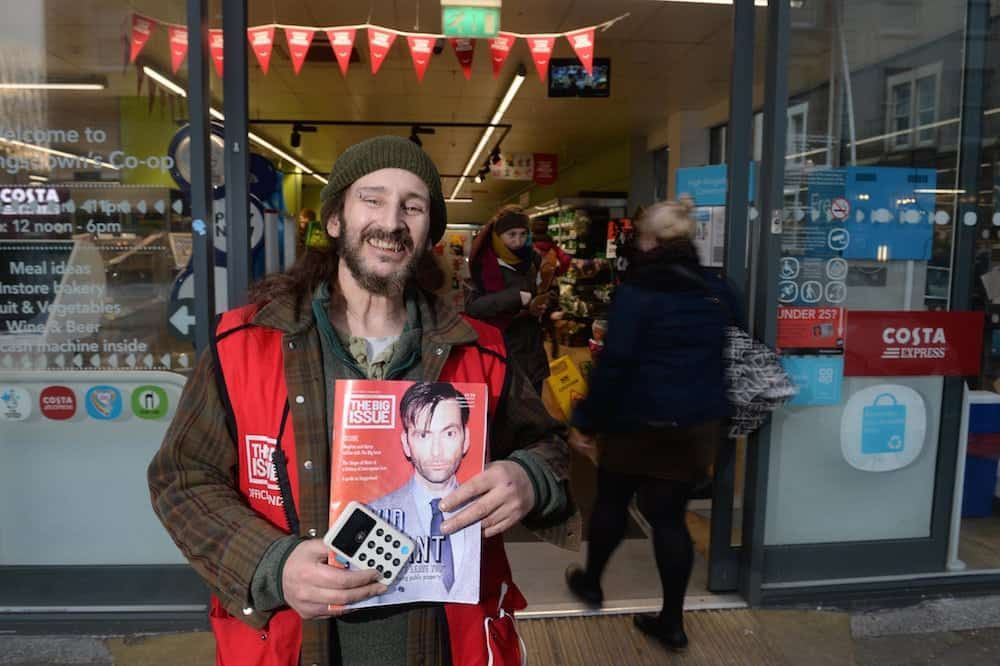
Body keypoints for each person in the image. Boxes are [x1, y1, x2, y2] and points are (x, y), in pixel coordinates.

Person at [148, 136, 579, 666]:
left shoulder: (481, 349)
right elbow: (181, 478)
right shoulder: (243, 344)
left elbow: (550, 445)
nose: (392, 221)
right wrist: (270, 563)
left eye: (413, 206)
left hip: (444, 642)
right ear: (335, 220)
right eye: (372, 199)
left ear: (427, 234)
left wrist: (528, 478)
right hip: (293, 644)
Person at [563, 198, 739, 653]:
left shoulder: (638, 293)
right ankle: (673, 621)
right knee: (669, 519)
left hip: (634, 422)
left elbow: (614, 364)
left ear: (652, 241)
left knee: (612, 503)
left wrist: (585, 419)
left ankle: (591, 583)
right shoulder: (718, 290)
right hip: (694, 426)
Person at [369, 382, 480, 603]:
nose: (436, 451)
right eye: (423, 435)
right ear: (406, 443)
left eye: (449, 433)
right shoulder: (373, 514)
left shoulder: (486, 505)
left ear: (466, 439)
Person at [465, 206, 557, 396]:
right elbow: (473, 307)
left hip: (532, 352)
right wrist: (516, 297)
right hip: (502, 350)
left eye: (523, 234)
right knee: (507, 413)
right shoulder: (483, 265)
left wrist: (546, 305)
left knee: (534, 413)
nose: (518, 241)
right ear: (498, 236)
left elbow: (551, 290)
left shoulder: (532, 260)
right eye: (511, 234)